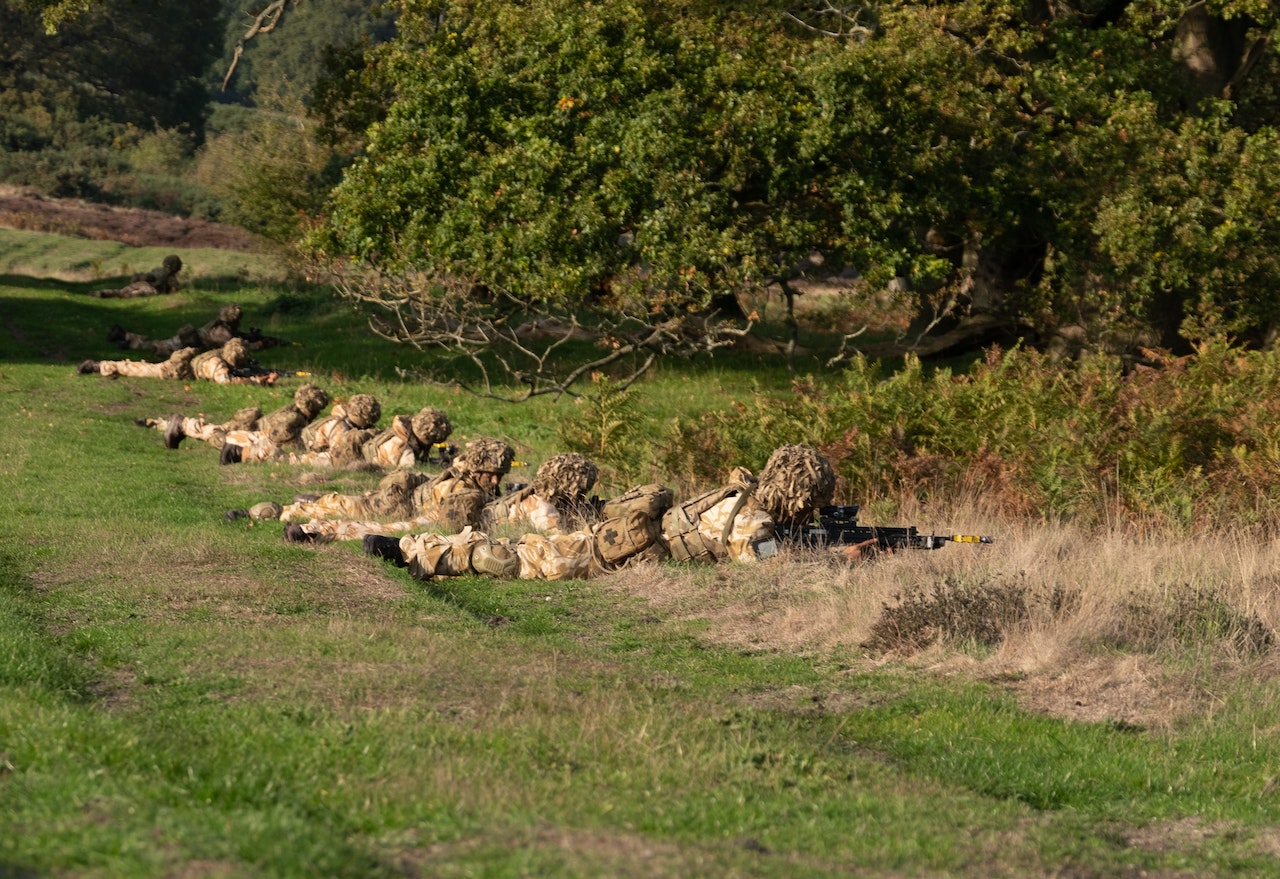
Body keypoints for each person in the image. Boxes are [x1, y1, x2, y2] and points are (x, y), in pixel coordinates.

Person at [358, 444, 839, 582]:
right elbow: (764, 564)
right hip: (619, 554)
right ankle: (410, 555)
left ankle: (412, 551)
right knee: (517, 561)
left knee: (521, 553)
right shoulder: (755, 520)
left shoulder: (740, 493)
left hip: (623, 544)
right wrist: (839, 559)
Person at [276, 451, 598, 544]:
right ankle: (314, 530)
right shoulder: (543, 508)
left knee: (387, 528)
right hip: (456, 524)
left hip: (460, 520)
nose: (497, 480)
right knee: (387, 530)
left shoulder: (536, 496)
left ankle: (312, 525)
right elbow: (564, 541)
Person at [230, 436, 515, 535]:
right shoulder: (461, 489)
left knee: (345, 504)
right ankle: (274, 512)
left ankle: (307, 504)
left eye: (499, 476)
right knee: (347, 506)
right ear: (477, 468)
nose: (495, 481)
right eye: (490, 474)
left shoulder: (469, 475)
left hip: (405, 501)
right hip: (396, 506)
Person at [221, 405, 453, 469]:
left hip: (352, 449)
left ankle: (241, 450)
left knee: (298, 459)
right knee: (291, 461)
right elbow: (411, 470)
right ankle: (240, 454)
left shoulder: (402, 434)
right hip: (345, 457)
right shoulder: (406, 452)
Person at [141, 383, 331, 451]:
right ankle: (181, 424)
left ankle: (175, 425)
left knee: (215, 431)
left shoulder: (294, 410)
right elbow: (277, 435)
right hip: (250, 432)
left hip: (250, 427)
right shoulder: (295, 416)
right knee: (218, 437)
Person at [80, 337, 278, 386]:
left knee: (142, 367)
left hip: (181, 365)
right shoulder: (217, 365)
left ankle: (101, 365)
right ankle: (100, 367)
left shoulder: (221, 353)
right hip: (176, 371)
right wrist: (258, 381)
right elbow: (227, 382)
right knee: (140, 369)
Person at [108, 303, 284, 357]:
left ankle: (126, 335)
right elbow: (236, 348)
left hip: (187, 339)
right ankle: (128, 342)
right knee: (158, 348)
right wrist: (259, 344)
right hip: (185, 343)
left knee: (159, 343)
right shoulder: (223, 332)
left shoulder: (217, 324)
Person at [89, 254, 183, 298]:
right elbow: (175, 290)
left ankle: (102, 293)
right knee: (135, 294)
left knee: (121, 291)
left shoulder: (156, 269)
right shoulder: (171, 278)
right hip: (152, 288)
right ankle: (108, 295)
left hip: (141, 282)